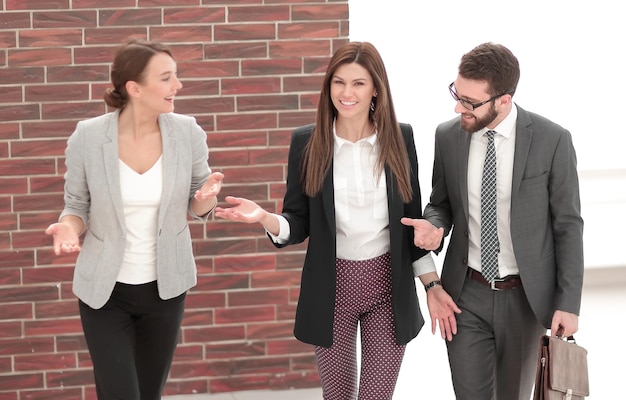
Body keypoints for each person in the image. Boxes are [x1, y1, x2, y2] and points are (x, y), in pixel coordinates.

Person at [214, 41, 460, 400]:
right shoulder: (308, 143)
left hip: (387, 289)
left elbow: (410, 227)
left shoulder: (400, 138)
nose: (347, 93)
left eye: (359, 83)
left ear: (376, 87)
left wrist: (432, 286)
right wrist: (267, 218)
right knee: (338, 396)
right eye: (338, 82)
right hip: (332, 289)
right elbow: (297, 222)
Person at [402, 42, 584, 399]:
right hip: (465, 293)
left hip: (526, 298)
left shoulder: (552, 140)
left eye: (470, 102)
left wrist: (569, 302)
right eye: (457, 94)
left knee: (512, 394)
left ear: (504, 99)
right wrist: (434, 226)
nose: (458, 107)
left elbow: (568, 226)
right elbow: (442, 203)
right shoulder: (448, 135)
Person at [44, 39, 224, 400]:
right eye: (167, 77)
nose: (178, 86)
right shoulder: (90, 136)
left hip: (165, 290)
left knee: (147, 393)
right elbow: (76, 205)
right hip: (105, 294)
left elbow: (198, 206)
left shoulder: (187, 132)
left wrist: (206, 198)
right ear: (134, 88)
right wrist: (68, 226)